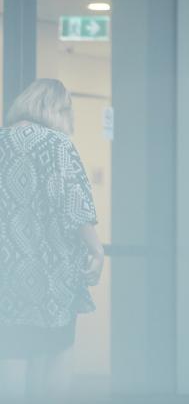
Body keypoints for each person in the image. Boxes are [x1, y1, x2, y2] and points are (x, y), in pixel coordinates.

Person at [0, 79, 104, 402]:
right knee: (57, 353)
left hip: (8, 275)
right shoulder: (57, 144)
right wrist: (96, 250)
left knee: (13, 355)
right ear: (55, 109)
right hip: (51, 277)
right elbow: (74, 205)